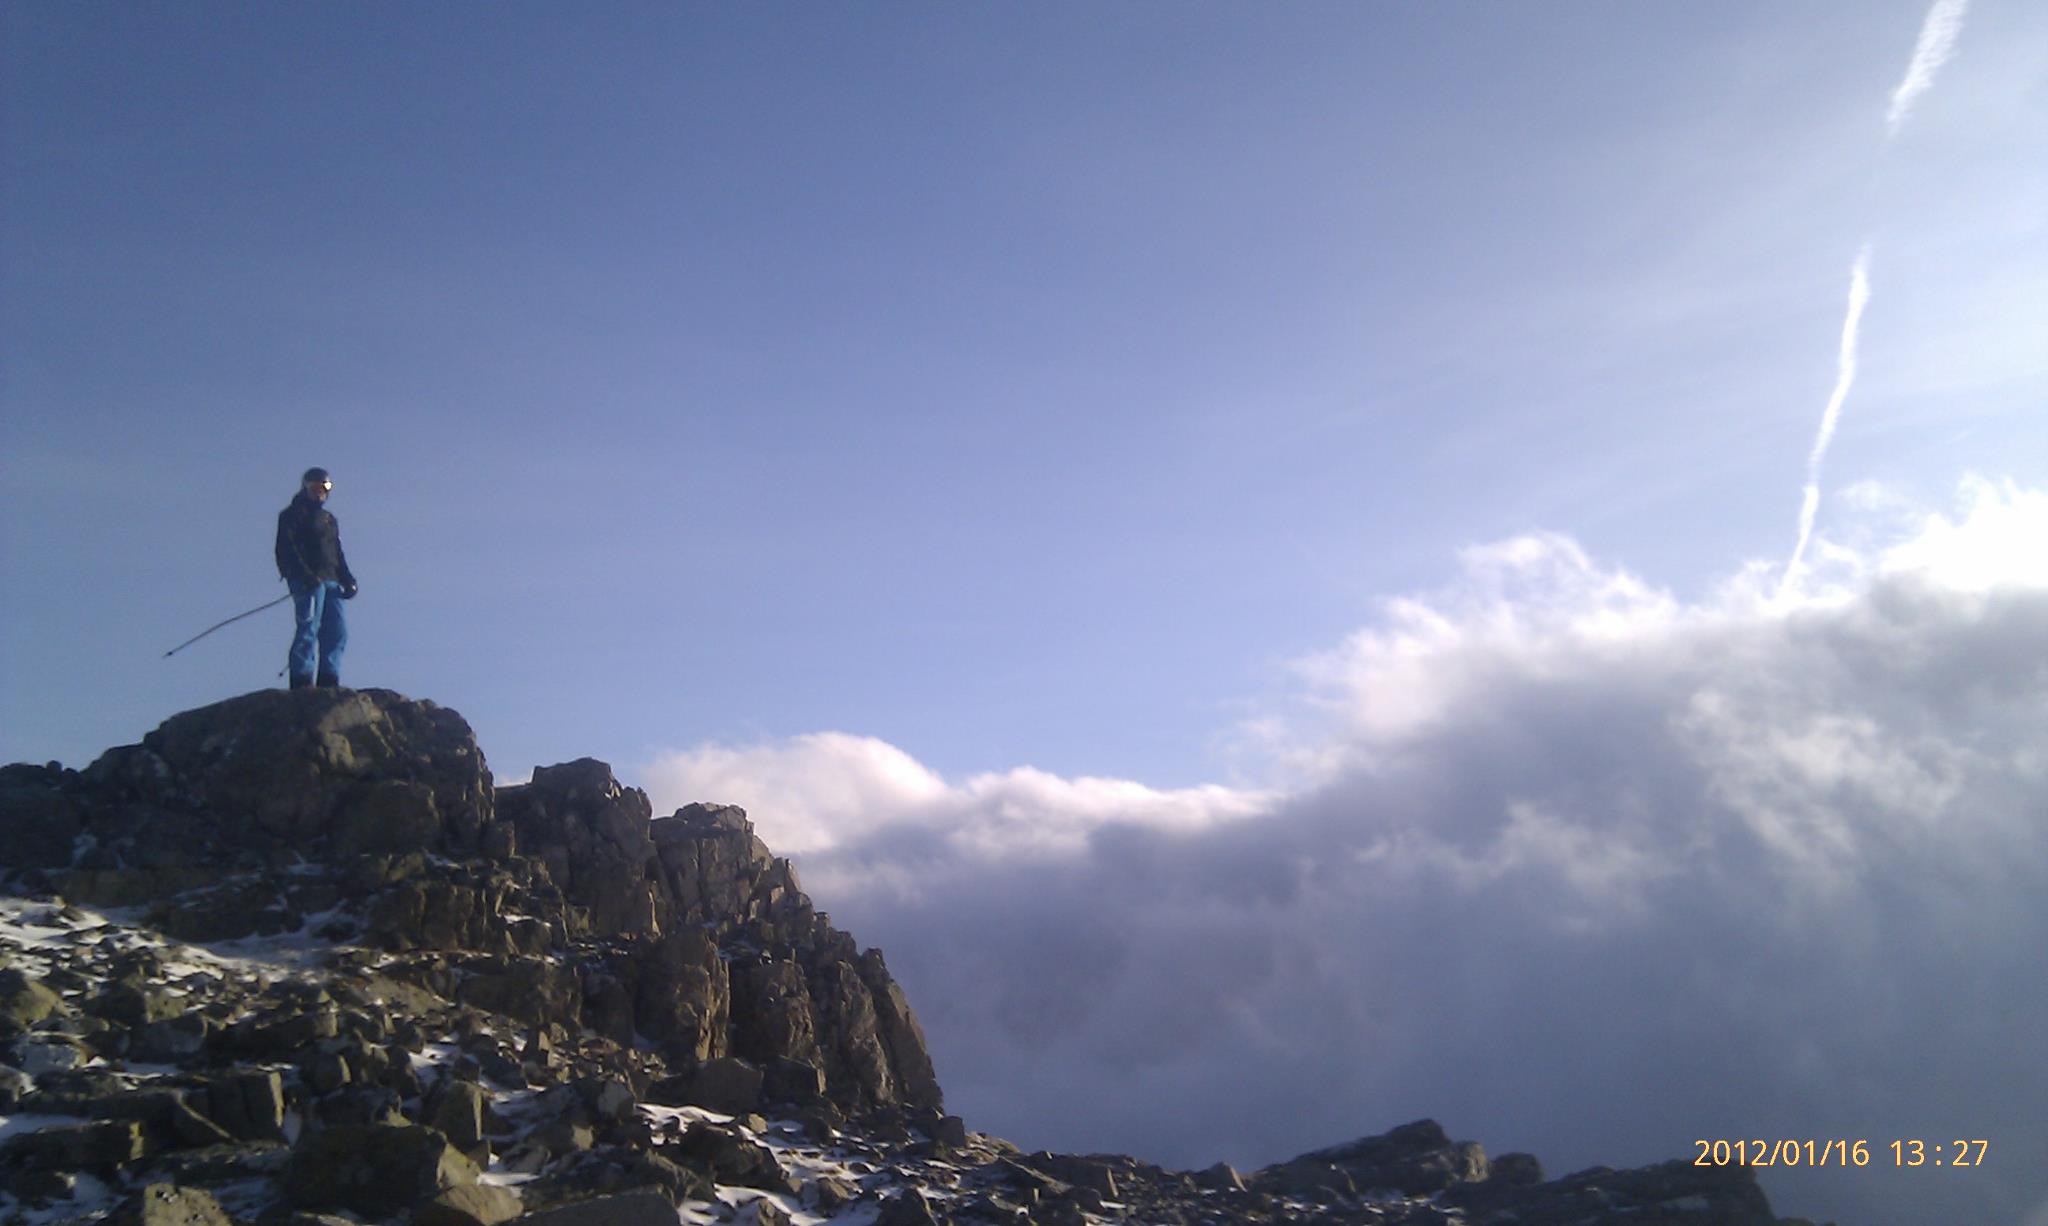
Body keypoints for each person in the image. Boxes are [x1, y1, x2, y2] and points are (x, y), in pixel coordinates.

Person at [274, 467, 358, 689]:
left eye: (325, 487)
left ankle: (328, 678)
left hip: (331, 580)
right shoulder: (292, 515)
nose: (320, 491)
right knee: (308, 627)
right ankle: (301, 678)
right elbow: (286, 549)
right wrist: (304, 575)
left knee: (337, 632)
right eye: (315, 487)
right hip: (307, 581)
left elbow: (336, 552)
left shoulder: (329, 520)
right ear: (305, 487)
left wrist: (347, 578)